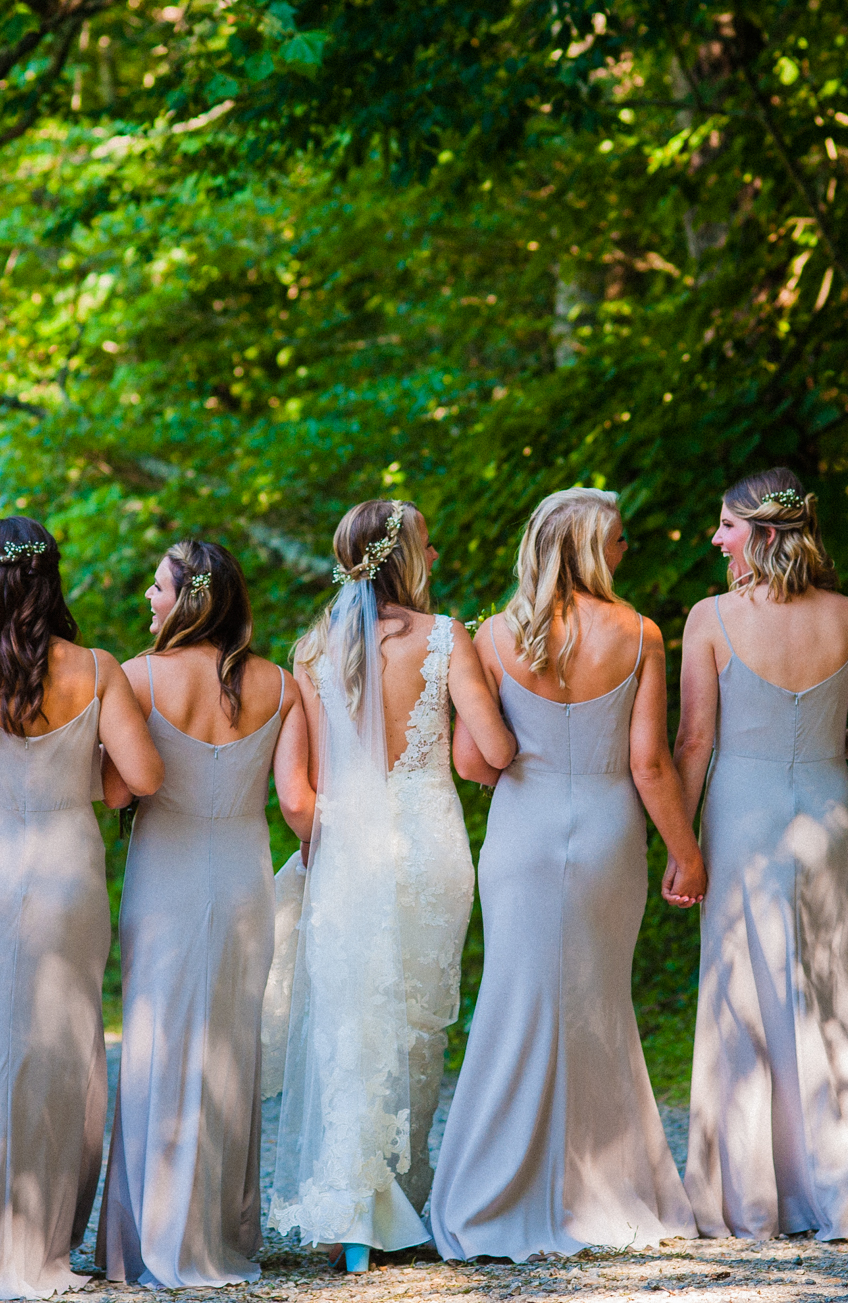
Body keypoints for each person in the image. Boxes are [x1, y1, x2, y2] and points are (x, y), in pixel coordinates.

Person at [430, 487, 704, 1262]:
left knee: (515, 1000)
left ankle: (496, 1186)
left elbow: (473, 759)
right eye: (616, 539)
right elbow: (649, 762)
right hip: (611, 835)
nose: (624, 550)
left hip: (521, 833)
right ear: (589, 546)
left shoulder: (493, 634)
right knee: (597, 1004)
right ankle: (604, 1188)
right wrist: (686, 850)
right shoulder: (642, 633)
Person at [0, 517, 163, 1300]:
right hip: (65, 869)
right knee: (56, 1048)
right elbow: (142, 776)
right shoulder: (96, 669)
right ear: (52, 581)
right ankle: (42, 1239)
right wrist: (85, 776)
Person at [265, 499, 515, 1271]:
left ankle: (353, 1217)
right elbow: (496, 749)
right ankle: (402, 1192)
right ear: (407, 558)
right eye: (429, 546)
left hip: (348, 850)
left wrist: (324, 845)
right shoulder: (446, 638)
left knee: (349, 1022)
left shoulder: (310, 652)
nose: (435, 558)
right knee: (415, 1028)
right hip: (430, 842)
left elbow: (297, 796)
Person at [673, 468, 848, 1242]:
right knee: (823, 982)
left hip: (742, 809)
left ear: (760, 534)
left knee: (743, 992)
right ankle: (832, 1188)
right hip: (827, 810)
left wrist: (678, 842)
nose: (715, 538)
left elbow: (694, 740)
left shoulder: (711, 618)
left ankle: (749, 1200)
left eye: (726, 526)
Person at [97, 540, 312, 1288]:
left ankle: (151, 1235)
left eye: (156, 587)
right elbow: (295, 803)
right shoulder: (281, 686)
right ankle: (219, 1230)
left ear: (186, 597)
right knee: (228, 1045)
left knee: (160, 1041)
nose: (148, 599)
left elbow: (119, 792)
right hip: (245, 878)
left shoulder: (135, 677)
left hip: (166, 877)